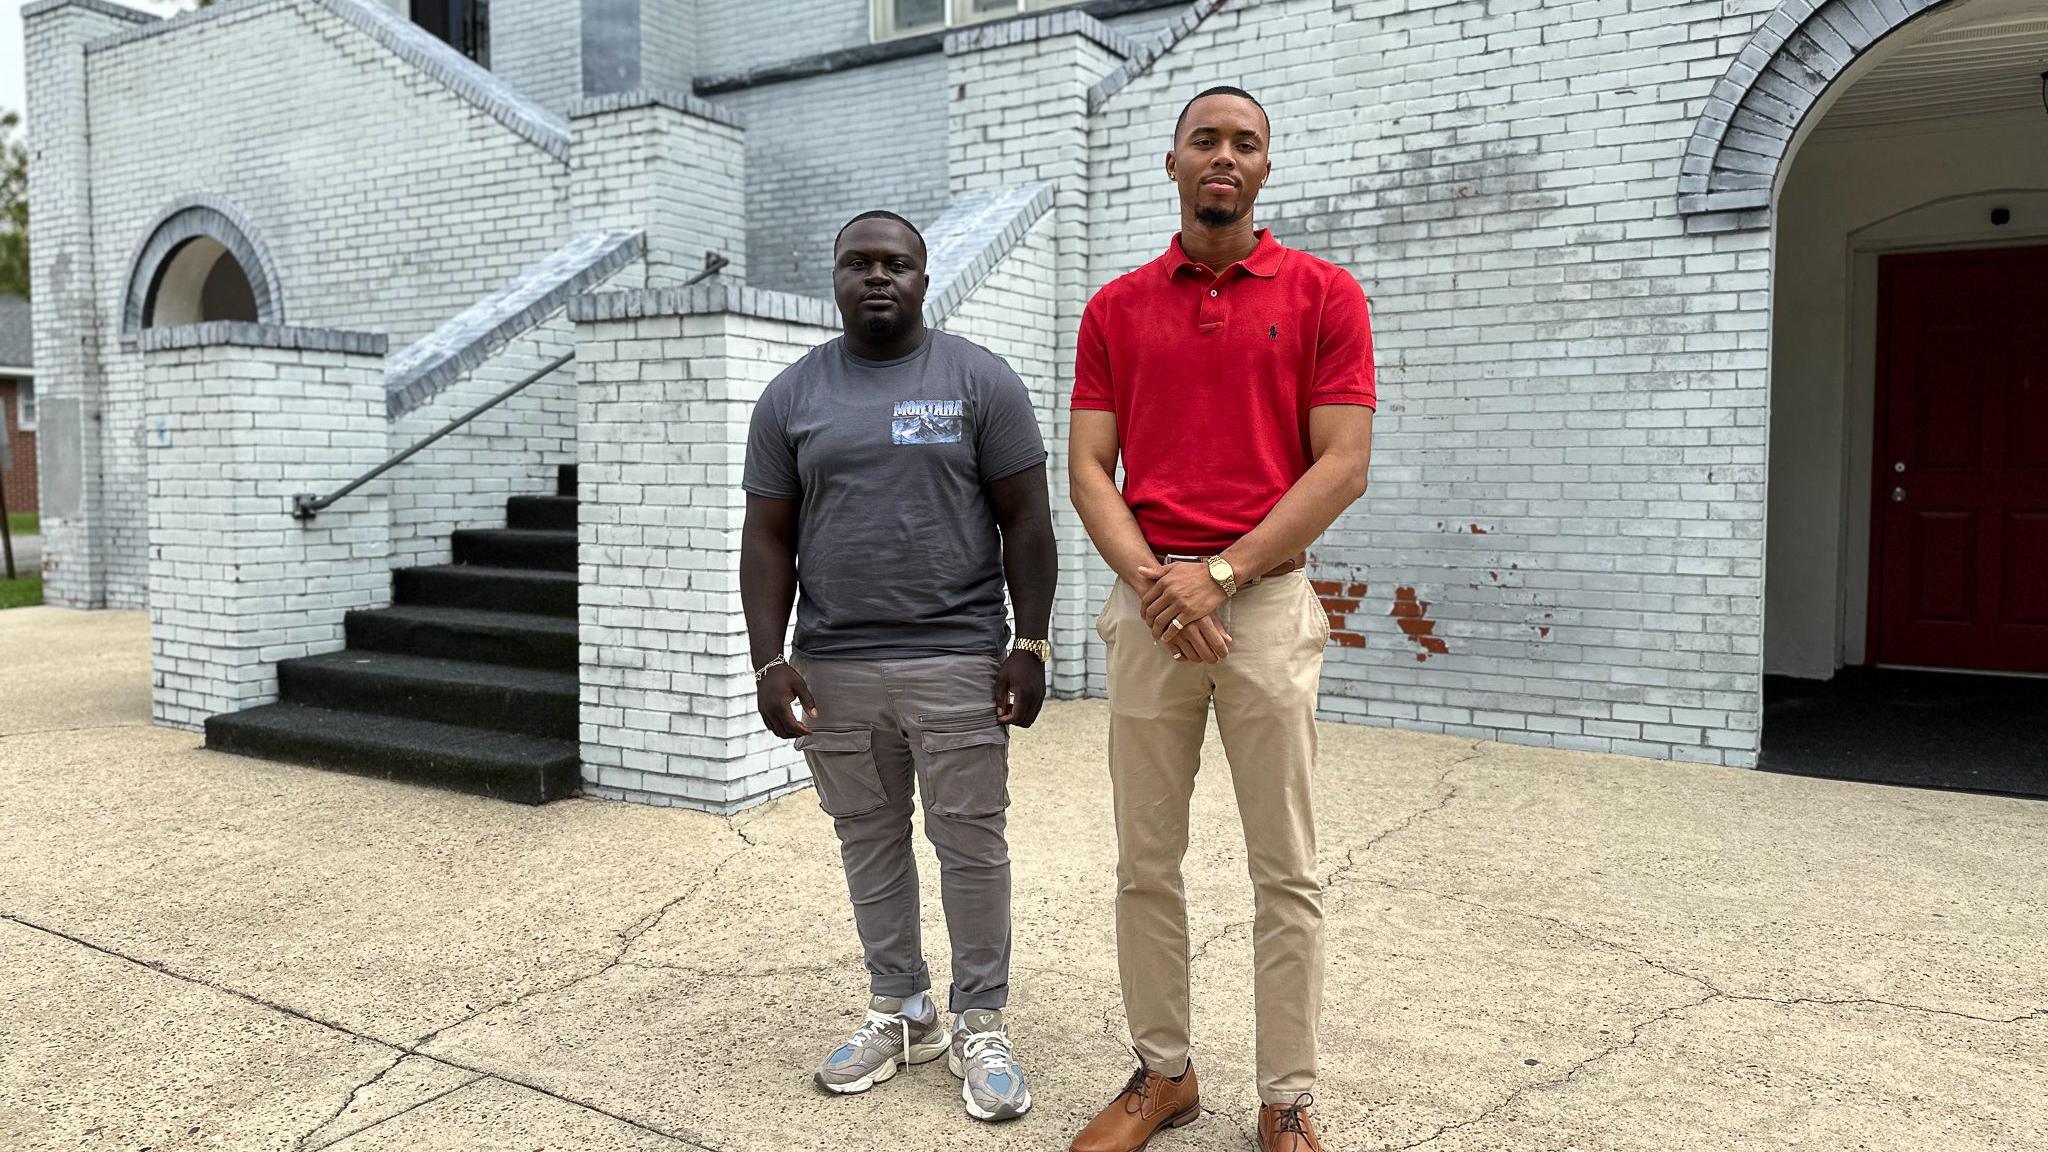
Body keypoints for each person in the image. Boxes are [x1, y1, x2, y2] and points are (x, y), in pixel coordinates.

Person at [1067, 87, 1377, 1152]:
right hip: (1150, 606)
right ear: (1171, 163)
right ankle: (1164, 1073)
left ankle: (1283, 1095)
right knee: (1143, 861)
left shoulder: (1325, 295)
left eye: (1244, 143)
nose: (1223, 157)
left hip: (1267, 603)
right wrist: (1164, 584)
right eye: (1205, 140)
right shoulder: (1114, 308)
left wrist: (1224, 574)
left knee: (1282, 868)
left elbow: (1342, 465)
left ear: (1263, 169)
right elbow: (1087, 472)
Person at [740, 210, 1057, 1124]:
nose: (878, 277)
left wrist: (1028, 645)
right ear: (833, 279)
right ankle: (902, 1008)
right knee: (869, 845)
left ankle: (980, 1020)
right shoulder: (790, 397)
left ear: (925, 278)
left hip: (957, 659)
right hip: (835, 667)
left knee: (970, 846)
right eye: (859, 264)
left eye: (897, 264)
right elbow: (767, 538)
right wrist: (771, 659)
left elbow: (1026, 525)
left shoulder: (980, 380)